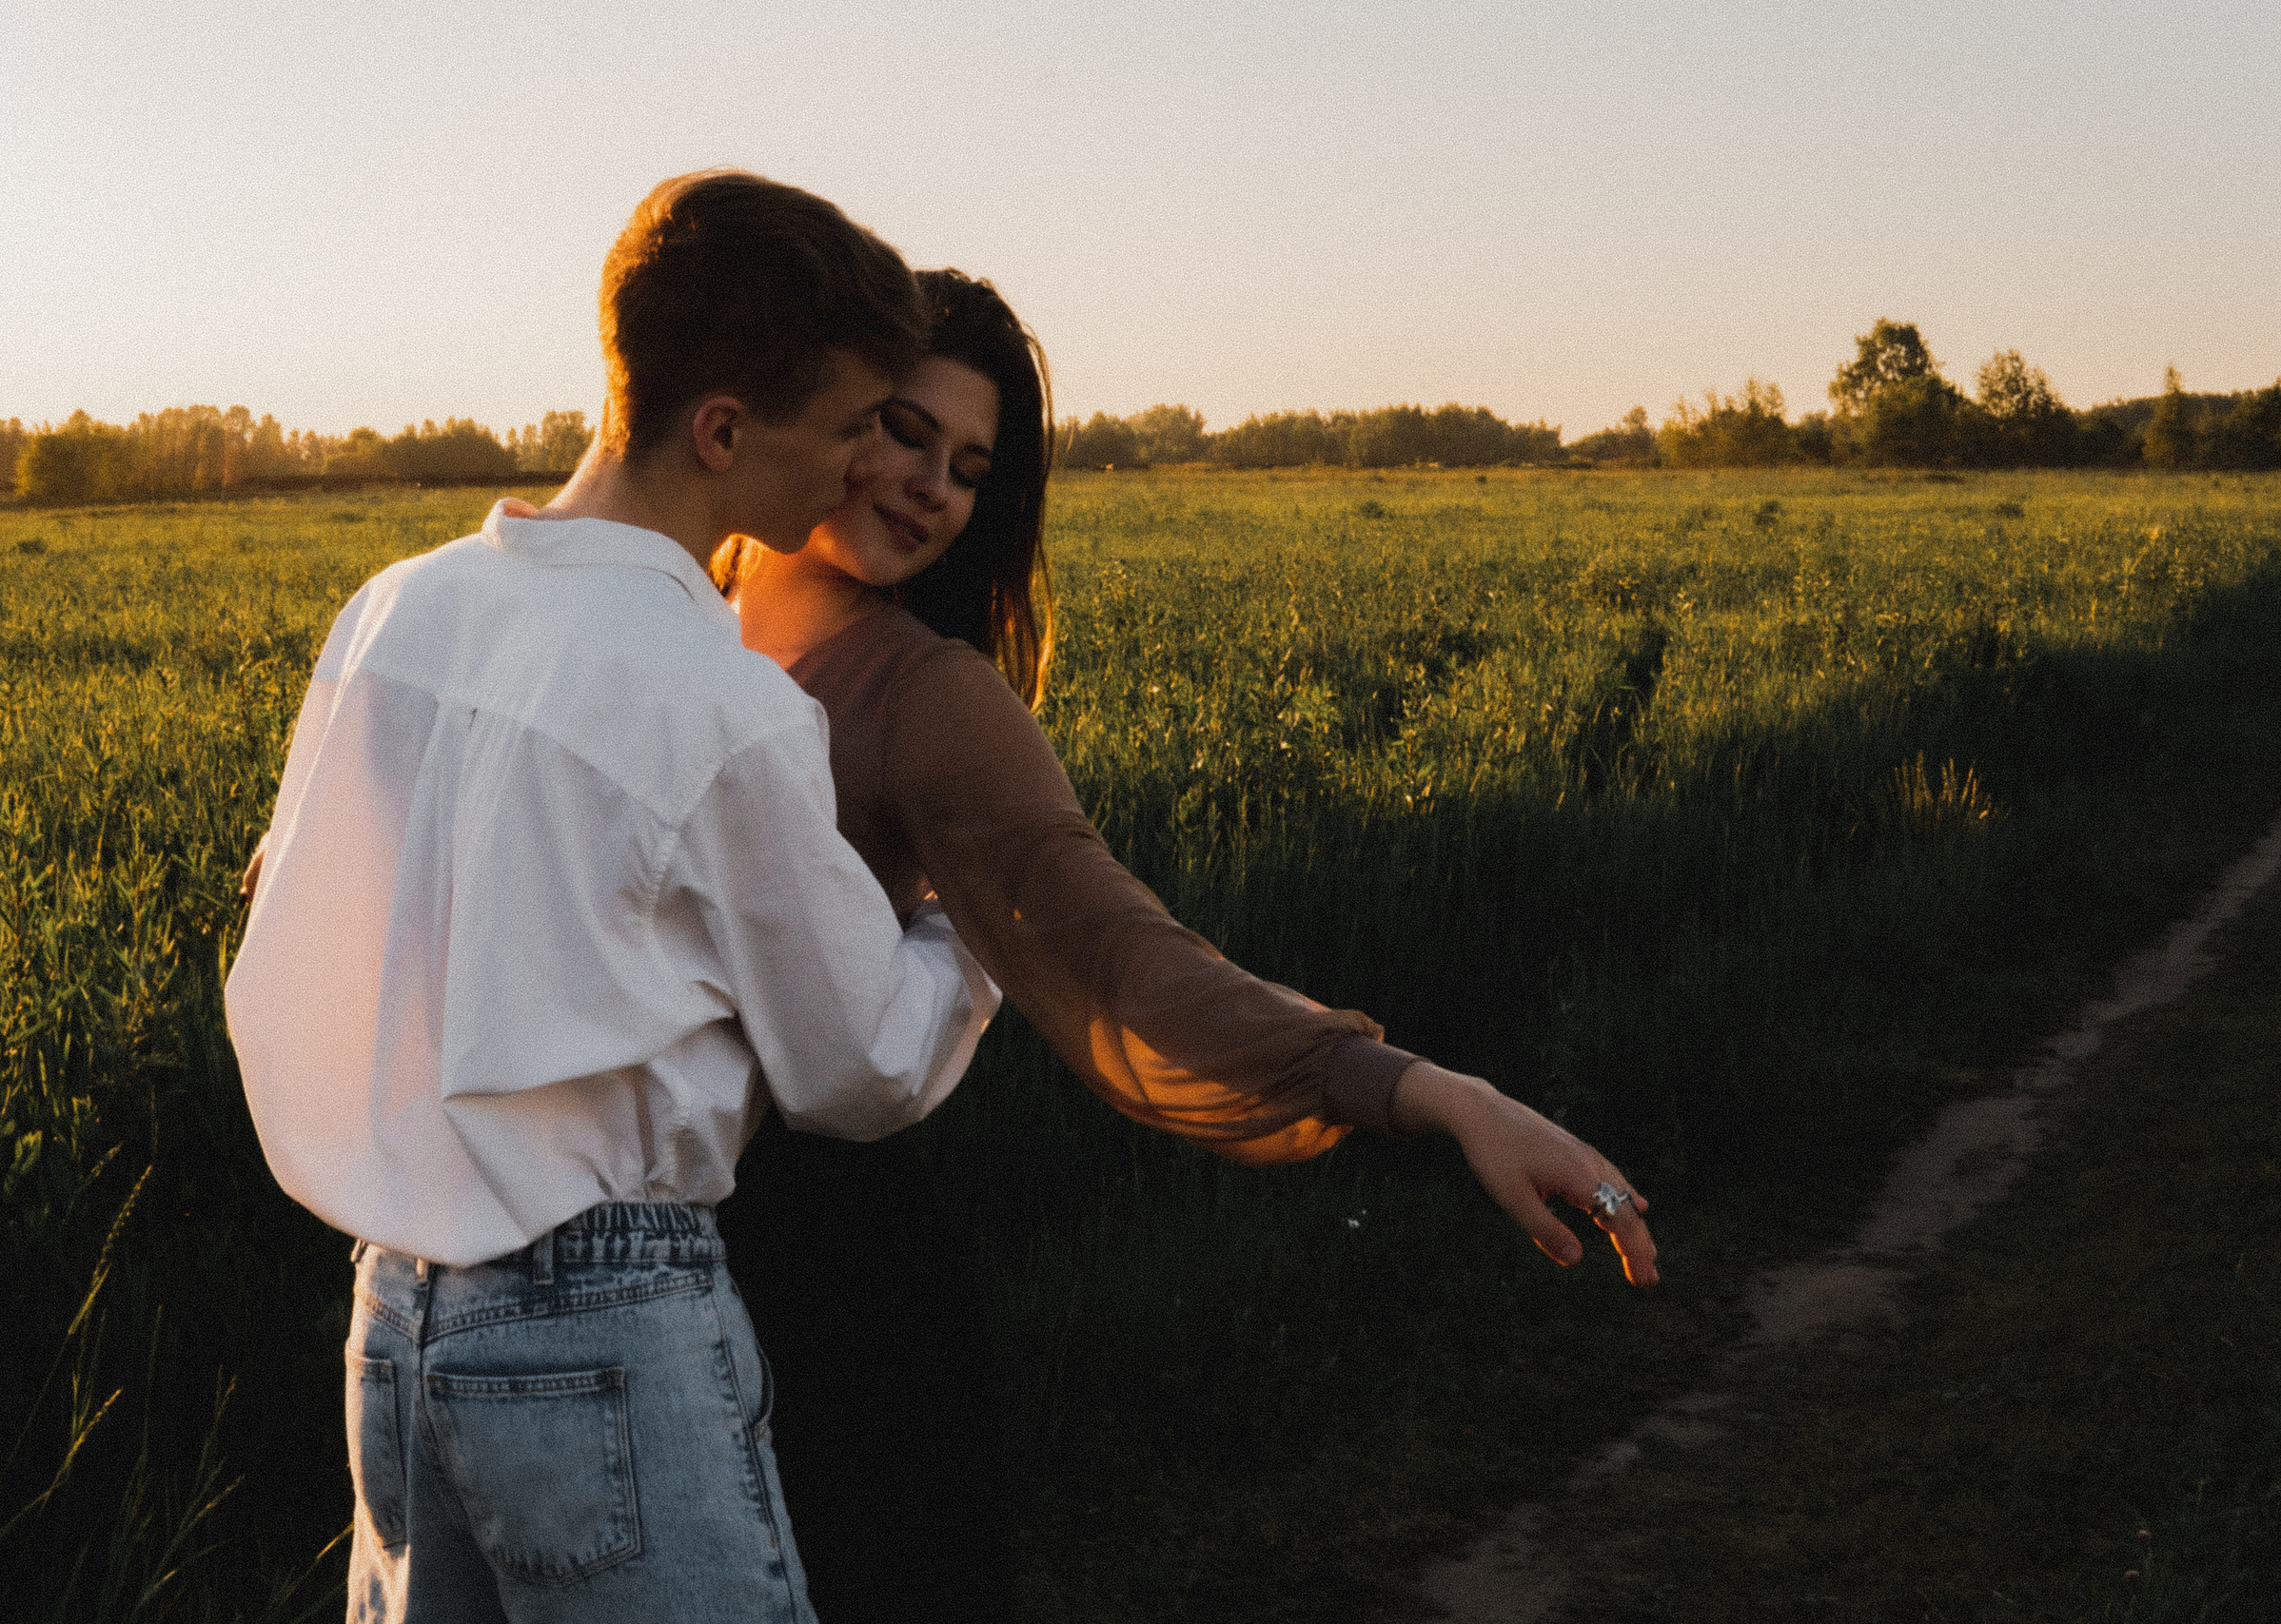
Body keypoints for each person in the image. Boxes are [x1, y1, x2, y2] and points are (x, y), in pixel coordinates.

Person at [708, 269, 1660, 1618]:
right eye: (905, 432)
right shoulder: (660, 618)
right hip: (582, 1270)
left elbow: (1115, 950)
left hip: (821, 1281)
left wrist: (1435, 1094)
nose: (930, 487)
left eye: (971, 468)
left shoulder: (926, 696)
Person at [225, 172, 1001, 1624]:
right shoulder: (721, 699)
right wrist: (970, 932)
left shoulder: (394, 611)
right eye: (844, 429)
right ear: (722, 430)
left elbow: (298, 941)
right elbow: (863, 1066)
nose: (855, 472)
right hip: (611, 1310)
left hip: (392, 1311)